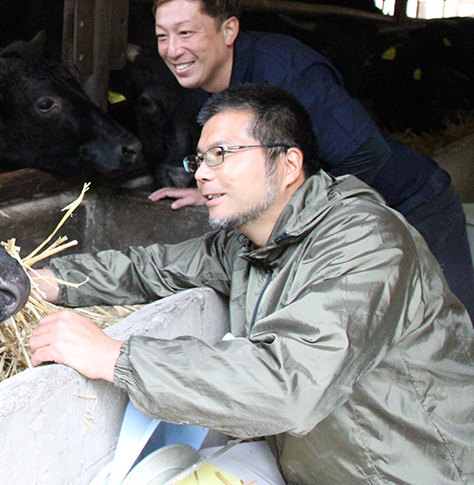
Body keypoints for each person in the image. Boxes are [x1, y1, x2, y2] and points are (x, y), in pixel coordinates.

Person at [29, 84, 474, 484]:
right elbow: (153, 267)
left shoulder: (365, 243)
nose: (201, 173)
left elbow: (288, 384)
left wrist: (116, 356)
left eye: (221, 154)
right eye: (199, 159)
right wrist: (48, 281)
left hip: (418, 469)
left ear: (288, 163)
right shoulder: (247, 241)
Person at [146, 0, 474, 319]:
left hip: (412, 206)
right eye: (162, 36)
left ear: (228, 30)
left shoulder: (287, 71)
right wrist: (216, 188)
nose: (172, 50)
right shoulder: (206, 81)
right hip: (353, 221)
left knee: (454, 326)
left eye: (185, 33)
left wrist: (297, 223)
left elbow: (365, 154)